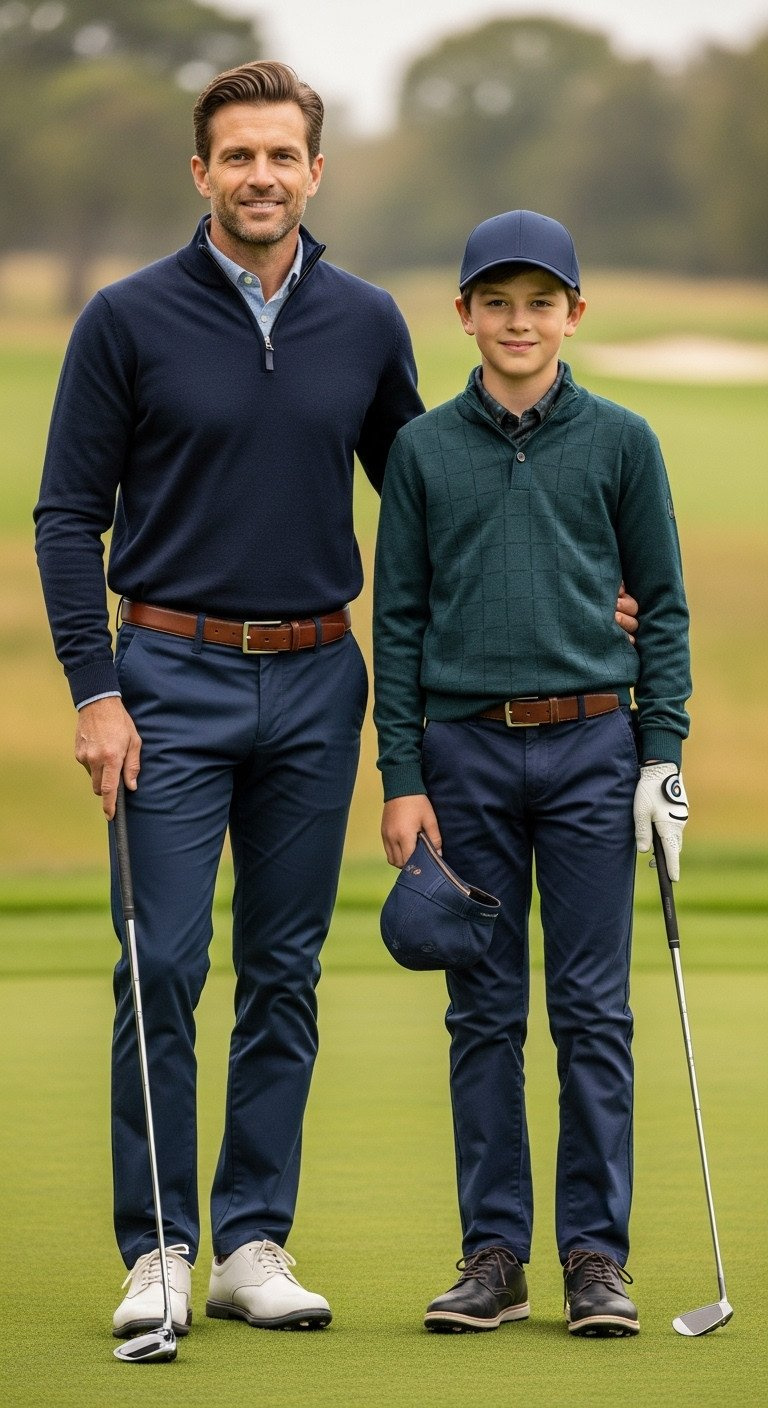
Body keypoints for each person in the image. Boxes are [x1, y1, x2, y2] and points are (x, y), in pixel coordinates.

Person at [34, 62, 639, 1340]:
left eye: (282, 157)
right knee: (162, 962)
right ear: (201, 172)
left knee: (284, 968)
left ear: (317, 172)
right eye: (236, 156)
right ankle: (157, 1248)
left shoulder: (366, 322)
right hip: (169, 678)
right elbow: (65, 516)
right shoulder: (125, 319)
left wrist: (593, 606)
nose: (261, 176)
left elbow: (438, 497)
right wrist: (95, 689)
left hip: (318, 680)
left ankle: (252, 1237)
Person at [372, 209, 690, 1337]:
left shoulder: (622, 440)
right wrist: (399, 773)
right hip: (464, 753)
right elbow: (399, 621)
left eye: (540, 302)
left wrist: (665, 757)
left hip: (594, 749)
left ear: (574, 314)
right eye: (496, 302)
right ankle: (495, 1254)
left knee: (594, 1012)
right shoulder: (420, 450)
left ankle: (596, 1258)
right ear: (463, 314)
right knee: (484, 1012)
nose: (519, 321)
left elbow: (665, 609)